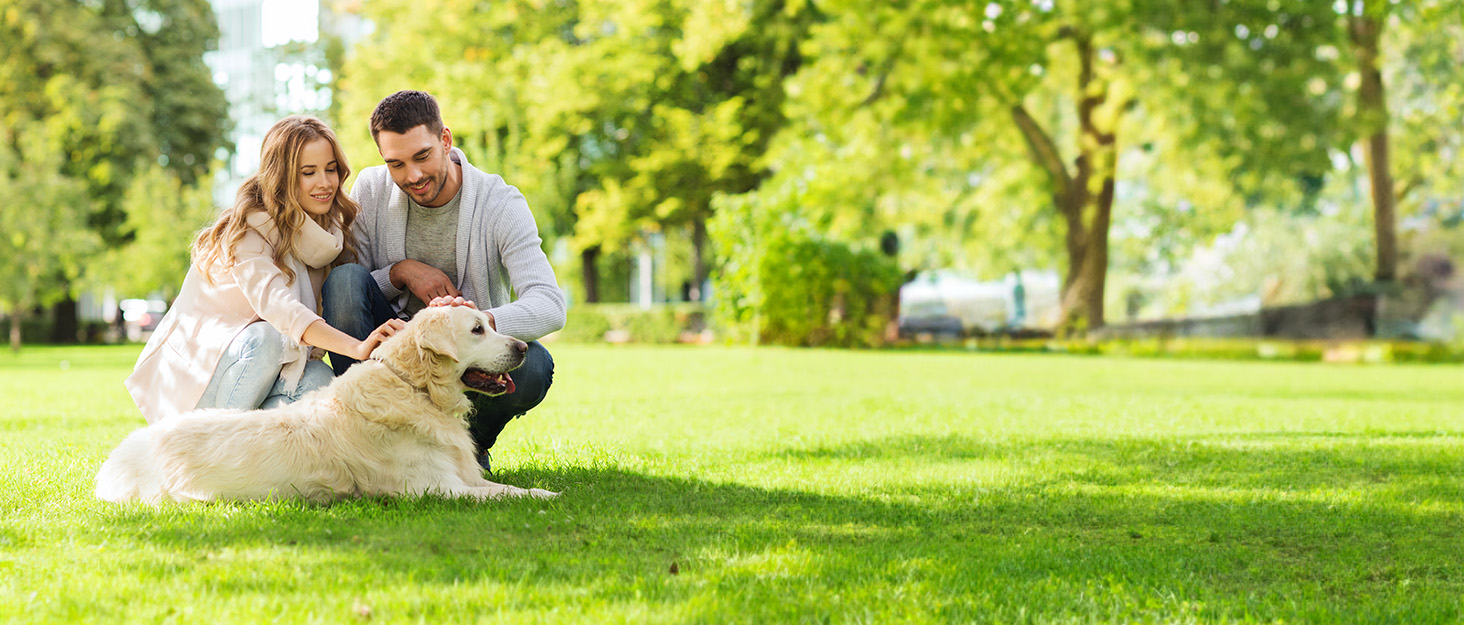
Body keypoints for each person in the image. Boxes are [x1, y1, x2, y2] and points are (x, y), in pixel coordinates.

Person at [322, 90, 567, 473]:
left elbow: (550, 304)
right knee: (343, 281)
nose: (413, 176)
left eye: (422, 156)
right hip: (394, 359)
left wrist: (475, 323)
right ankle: (362, 438)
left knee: (535, 367)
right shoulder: (369, 190)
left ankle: (469, 446)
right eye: (396, 164)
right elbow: (353, 287)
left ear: (445, 140)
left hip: (466, 359)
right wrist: (400, 271)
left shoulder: (501, 204)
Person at [125, 116, 405, 424]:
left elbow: (355, 286)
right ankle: (210, 449)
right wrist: (358, 347)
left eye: (330, 169)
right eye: (308, 173)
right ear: (282, 177)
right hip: (199, 377)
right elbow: (281, 309)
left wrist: (402, 274)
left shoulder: (331, 231)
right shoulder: (250, 229)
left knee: (320, 380)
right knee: (267, 338)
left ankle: (254, 458)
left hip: (267, 372)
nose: (324, 183)